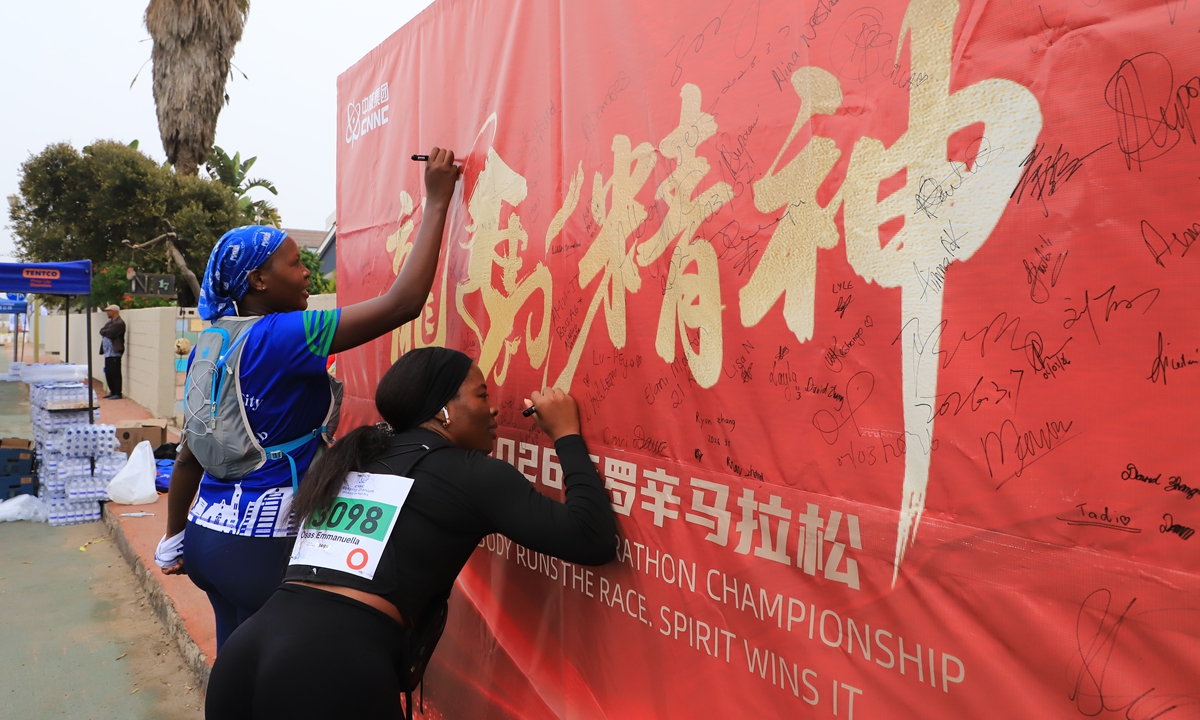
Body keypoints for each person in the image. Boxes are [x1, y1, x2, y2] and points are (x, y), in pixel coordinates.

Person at [203, 347, 617, 720]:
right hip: (329, 672)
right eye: (482, 395)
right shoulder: (472, 474)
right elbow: (591, 537)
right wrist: (566, 434)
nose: (495, 410)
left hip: (246, 652)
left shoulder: (357, 454)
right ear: (443, 410)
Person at [154, 149, 461, 651]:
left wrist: (173, 538)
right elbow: (404, 303)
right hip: (264, 547)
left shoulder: (214, 340)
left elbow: (190, 452)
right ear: (258, 280)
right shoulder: (284, 335)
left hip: (207, 532)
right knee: (287, 677)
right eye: (295, 264)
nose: (306, 274)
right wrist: (437, 200)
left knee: (235, 667)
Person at [98, 304, 125, 399]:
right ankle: (112, 391)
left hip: (114, 351)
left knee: (115, 372)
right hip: (107, 352)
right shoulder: (110, 322)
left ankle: (118, 392)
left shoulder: (119, 323)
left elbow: (110, 333)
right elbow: (102, 330)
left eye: (109, 311)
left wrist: (105, 332)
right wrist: (105, 331)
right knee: (109, 372)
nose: (107, 313)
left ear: (114, 311)